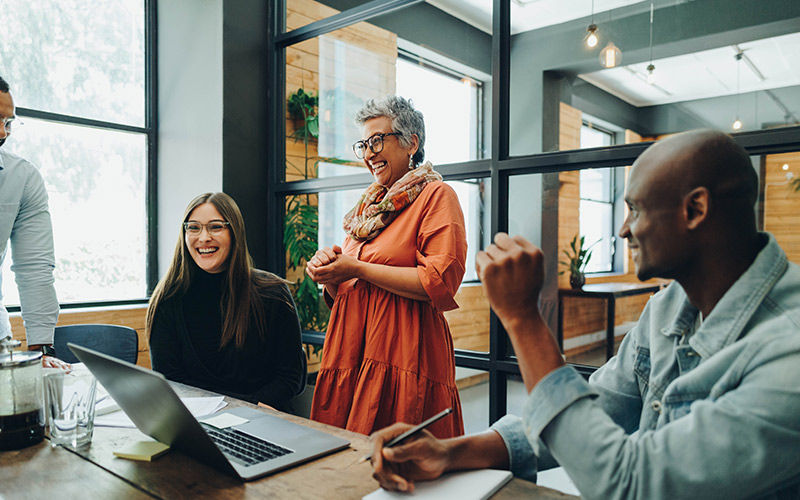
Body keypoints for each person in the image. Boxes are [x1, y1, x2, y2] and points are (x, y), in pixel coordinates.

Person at [368, 130, 800, 499]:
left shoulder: (788, 352)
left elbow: (629, 484)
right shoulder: (669, 306)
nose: (623, 228)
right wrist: (451, 452)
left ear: (695, 210)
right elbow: (596, 412)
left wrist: (522, 319)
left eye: (636, 209)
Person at [306, 96, 467, 438]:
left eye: (377, 140)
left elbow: (438, 282)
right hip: (351, 350)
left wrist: (357, 269)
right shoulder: (367, 209)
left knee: (403, 463)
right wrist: (330, 274)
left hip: (404, 353)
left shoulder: (437, 196)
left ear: (412, 143)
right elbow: (346, 291)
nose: (368, 153)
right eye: (364, 144)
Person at [147, 192, 306, 411]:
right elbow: (171, 380)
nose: (203, 238)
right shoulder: (167, 298)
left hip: (262, 417)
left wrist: (247, 408)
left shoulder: (273, 293)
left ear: (235, 233)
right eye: (194, 227)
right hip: (196, 420)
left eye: (215, 227)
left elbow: (290, 378)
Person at [0, 75, 66, 369]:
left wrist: (41, 352)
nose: (3, 133)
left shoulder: (22, 177)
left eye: (8, 122)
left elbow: (35, 269)